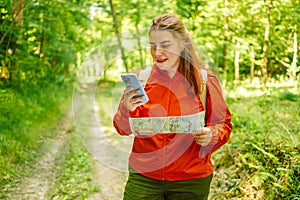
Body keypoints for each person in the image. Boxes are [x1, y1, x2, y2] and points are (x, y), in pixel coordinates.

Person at [113, 13, 232, 200]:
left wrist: (211, 135)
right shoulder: (141, 81)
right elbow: (122, 129)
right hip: (143, 179)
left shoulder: (204, 81)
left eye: (165, 45)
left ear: (182, 44)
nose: (157, 52)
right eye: (153, 46)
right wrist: (126, 109)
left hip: (190, 180)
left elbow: (223, 124)